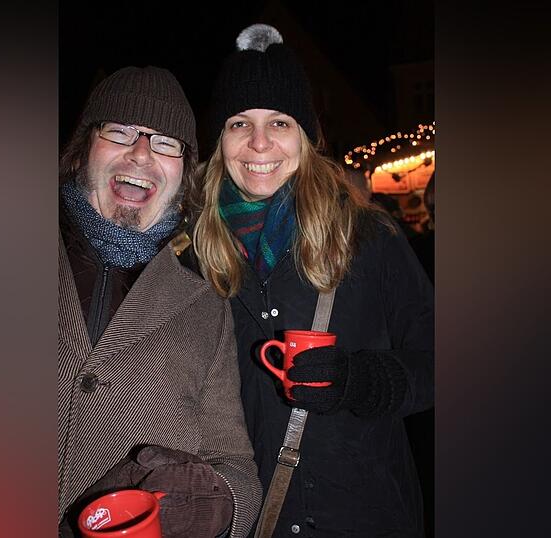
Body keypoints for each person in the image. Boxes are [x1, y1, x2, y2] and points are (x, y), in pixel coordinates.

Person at [186, 24, 435, 537]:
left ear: (304, 135)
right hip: (258, 521)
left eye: (279, 121)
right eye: (239, 123)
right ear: (220, 138)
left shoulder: (369, 236)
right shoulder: (194, 257)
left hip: (366, 518)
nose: (259, 143)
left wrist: (358, 381)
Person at [57, 65, 261, 538]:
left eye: (166, 142)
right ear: (84, 149)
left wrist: (215, 505)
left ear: (183, 173)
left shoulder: (205, 308)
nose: (142, 152)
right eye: (121, 131)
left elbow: (236, 465)